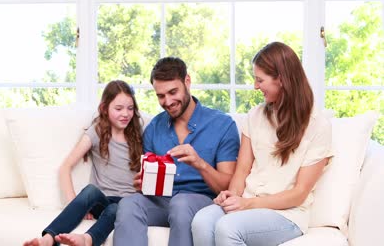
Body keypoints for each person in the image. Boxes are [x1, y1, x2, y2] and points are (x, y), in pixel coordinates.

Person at [191, 42, 334, 246]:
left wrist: (248, 204)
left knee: (228, 227)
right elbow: (241, 171)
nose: (255, 86)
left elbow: (299, 193)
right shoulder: (255, 116)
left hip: (286, 214)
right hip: (248, 201)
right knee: (202, 221)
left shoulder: (318, 126)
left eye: (260, 80)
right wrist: (232, 195)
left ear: (282, 80)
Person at [113, 57, 240, 246]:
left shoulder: (222, 125)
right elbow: (148, 185)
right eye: (161, 96)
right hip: (162, 202)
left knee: (181, 203)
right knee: (129, 204)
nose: (168, 101)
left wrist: (200, 164)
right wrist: (144, 183)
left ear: (187, 81)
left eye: (173, 92)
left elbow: (228, 186)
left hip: (201, 202)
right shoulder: (154, 128)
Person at [23, 80, 143, 246]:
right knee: (90, 191)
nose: (126, 114)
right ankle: (49, 238)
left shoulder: (138, 134)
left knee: (117, 209)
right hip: (103, 199)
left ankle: (88, 240)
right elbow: (65, 167)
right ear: (104, 108)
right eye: (118, 108)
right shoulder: (97, 132)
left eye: (130, 108)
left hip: (128, 204)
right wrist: (76, 205)